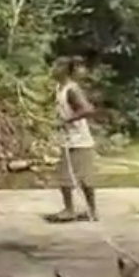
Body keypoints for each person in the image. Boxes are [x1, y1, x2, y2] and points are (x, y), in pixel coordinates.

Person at [45, 56, 99, 223]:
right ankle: (83, 210)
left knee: (83, 178)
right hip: (69, 139)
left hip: (80, 140)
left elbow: (88, 109)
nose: (53, 69)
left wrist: (66, 120)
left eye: (56, 66)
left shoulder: (72, 90)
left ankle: (80, 211)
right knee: (67, 176)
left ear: (64, 70)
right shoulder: (59, 88)